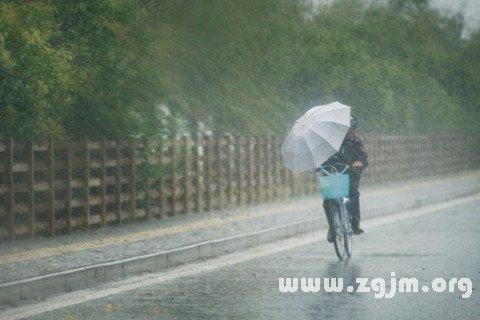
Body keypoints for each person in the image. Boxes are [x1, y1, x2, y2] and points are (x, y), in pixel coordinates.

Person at [320, 116, 368, 242]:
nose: (351, 132)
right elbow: (321, 157)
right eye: (348, 129)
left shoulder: (356, 141)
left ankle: (354, 224)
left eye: (353, 129)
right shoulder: (329, 142)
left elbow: (362, 157)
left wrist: (359, 162)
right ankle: (332, 229)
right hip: (331, 173)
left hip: (350, 173)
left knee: (353, 194)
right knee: (328, 200)